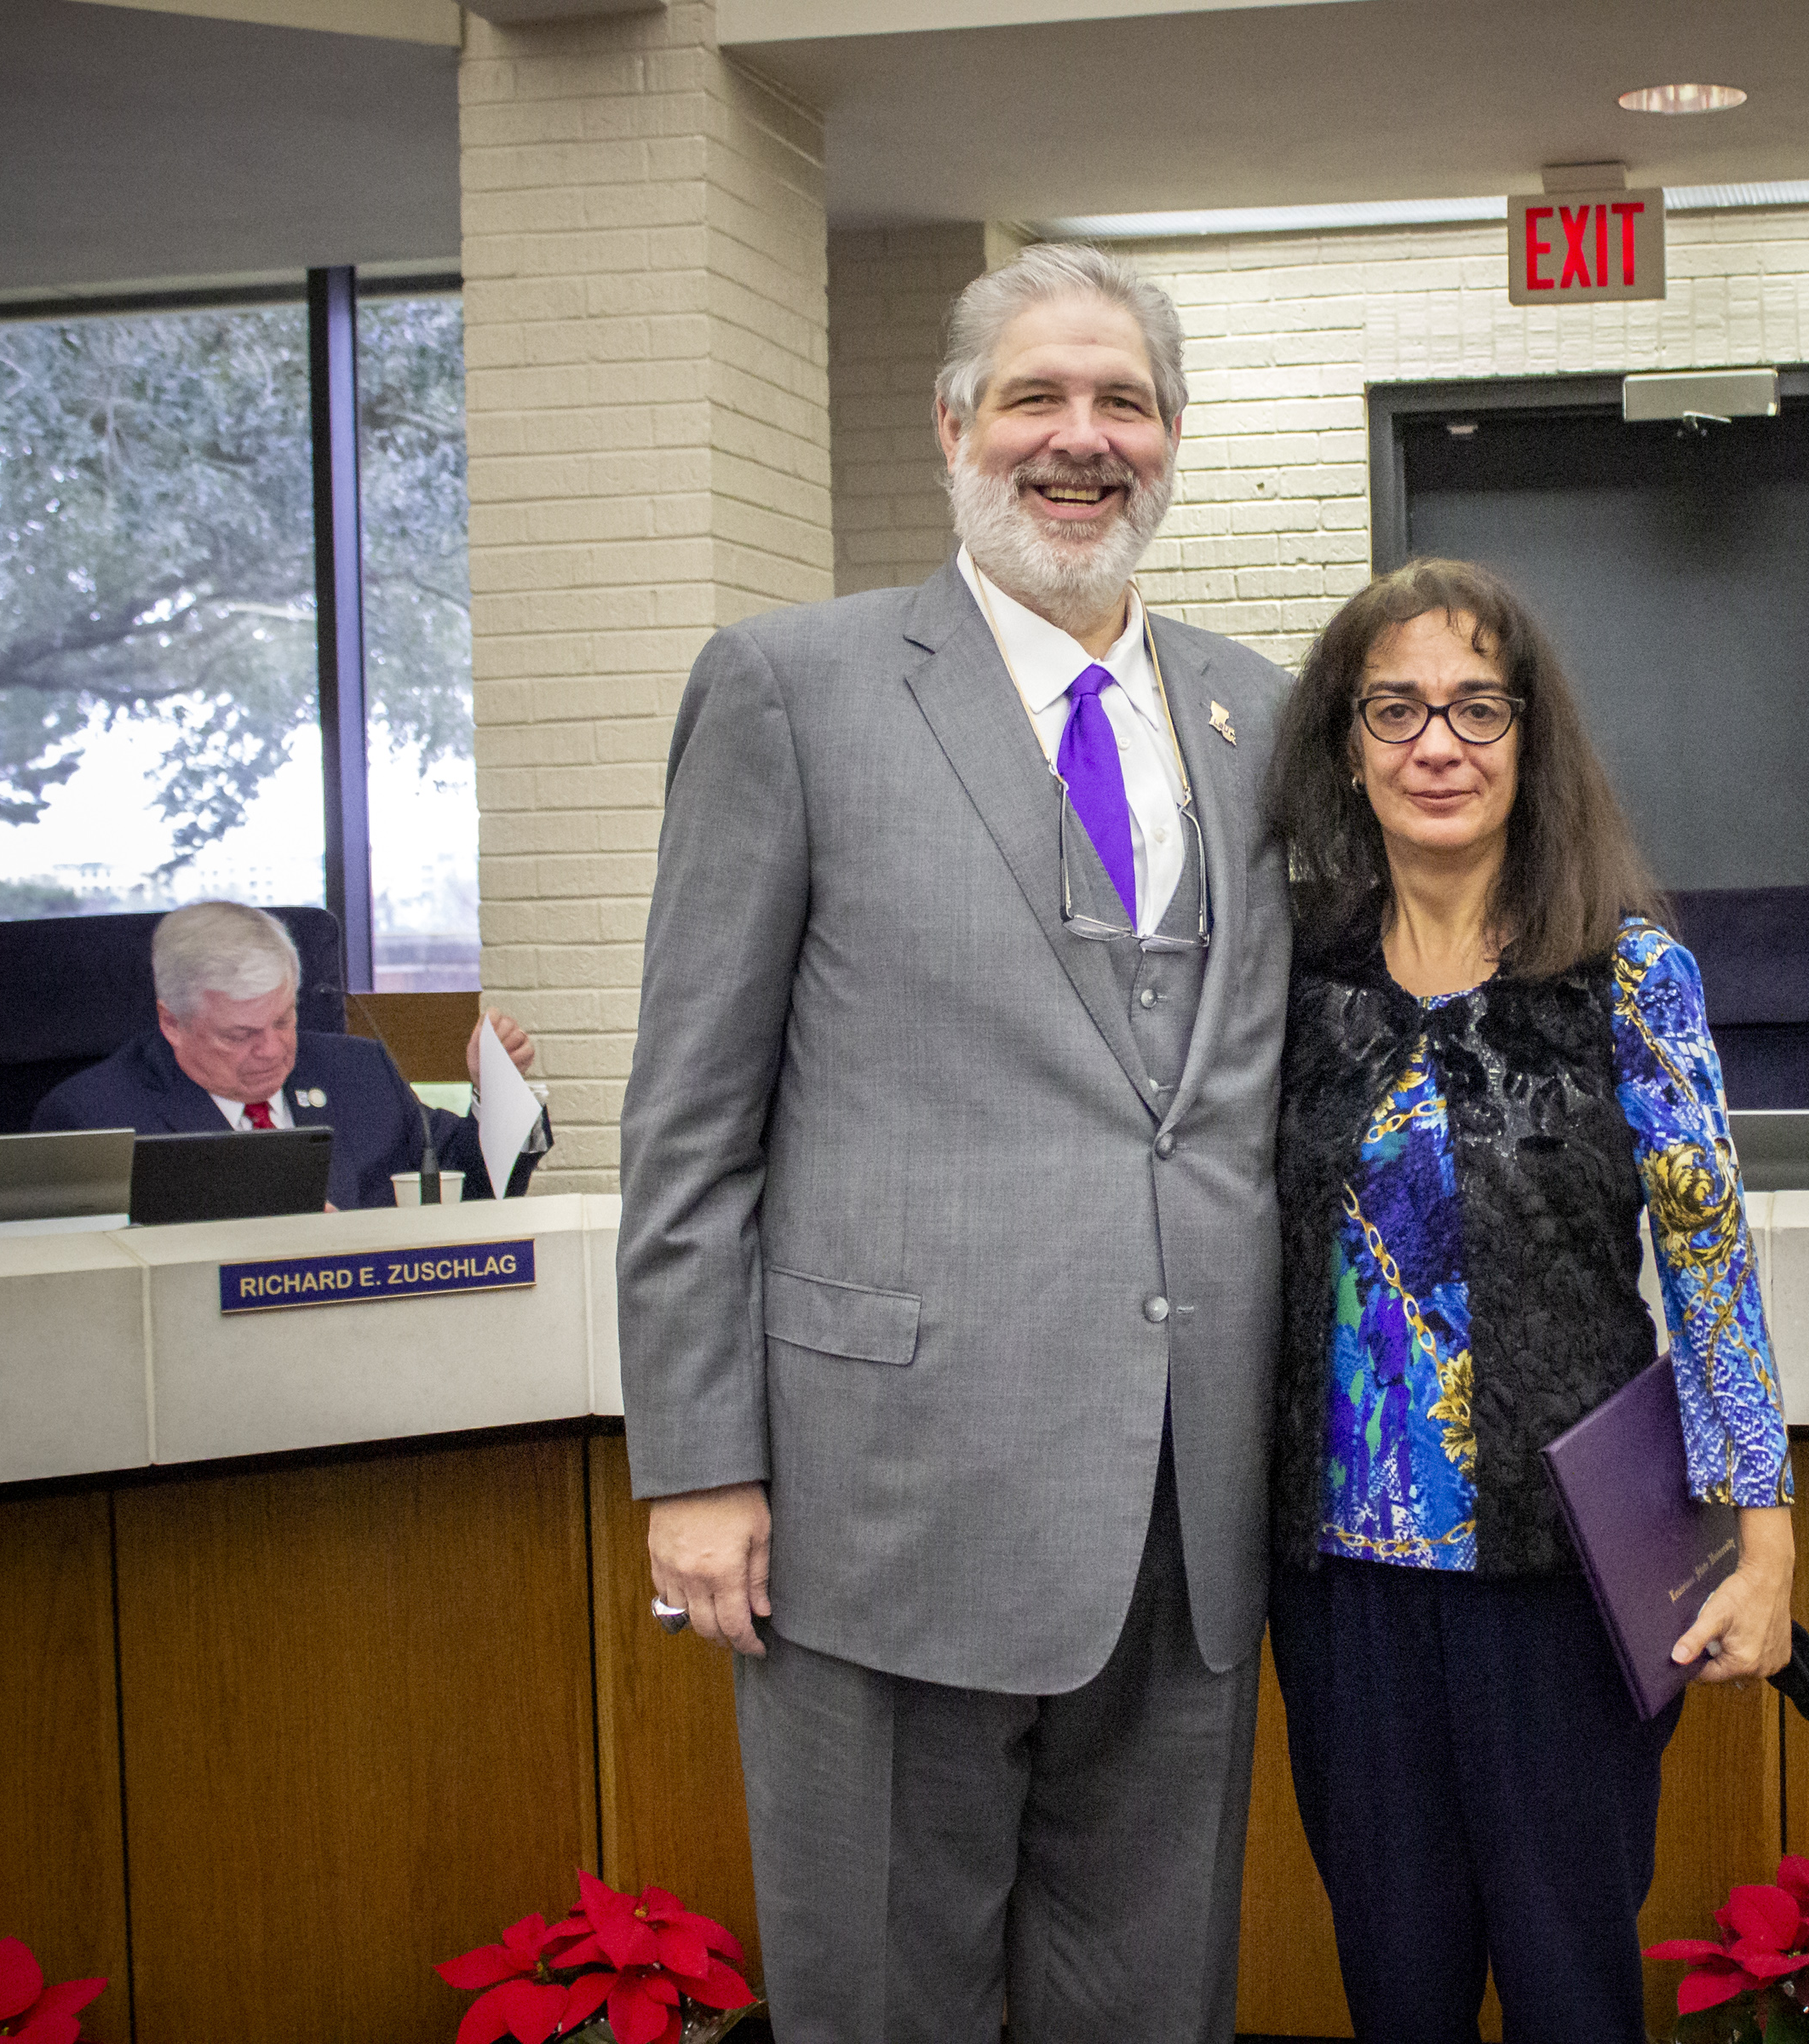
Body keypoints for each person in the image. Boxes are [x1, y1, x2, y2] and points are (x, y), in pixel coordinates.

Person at [617, 243, 1292, 2044]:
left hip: (1186, 1509)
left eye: (1124, 403)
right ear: (954, 427)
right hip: (881, 1497)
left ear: (1173, 439)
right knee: (888, 1999)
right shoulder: (794, 689)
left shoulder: (1259, 714)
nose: (1083, 441)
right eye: (1038, 399)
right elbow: (690, 1119)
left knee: (1154, 2003)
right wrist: (695, 1464)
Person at [1261, 558, 1795, 2043]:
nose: (1438, 744)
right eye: (1397, 710)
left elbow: (1709, 1270)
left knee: (1571, 1990)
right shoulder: (1283, 979)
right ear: (1347, 747)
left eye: (1477, 708)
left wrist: (1768, 1541)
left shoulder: (1628, 974)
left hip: (1562, 1579)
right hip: (1338, 1585)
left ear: (1529, 740)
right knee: (1395, 1990)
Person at [31, 899, 547, 1209]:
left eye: (283, 1019)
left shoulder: (356, 1072)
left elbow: (471, 1187)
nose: (273, 1050)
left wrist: (494, 1092)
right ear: (172, 1022)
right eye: (239, 1035)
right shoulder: (95, 1120)